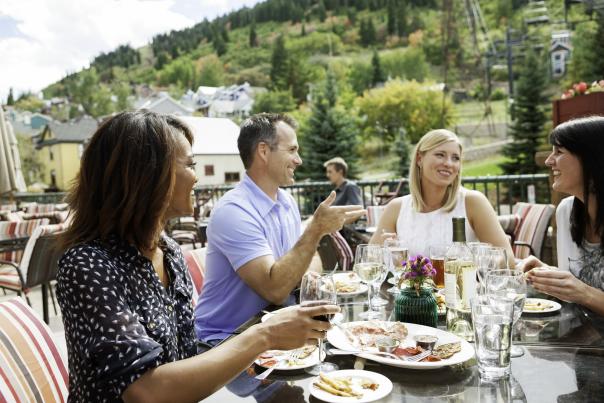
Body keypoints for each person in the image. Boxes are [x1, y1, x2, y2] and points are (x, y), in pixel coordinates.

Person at [56, 110, 340, 403]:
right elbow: (146, 392)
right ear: (148, 176)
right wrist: (264, 336)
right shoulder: (88, 264)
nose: (196, 177)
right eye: (190, 164)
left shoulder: (168, 251)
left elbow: (185, 354)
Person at [195, 113, 365, 343]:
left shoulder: (286, 202)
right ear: (264, 151)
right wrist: (315, 230)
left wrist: (304, 276)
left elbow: (308, 254)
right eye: (292, 150)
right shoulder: (233, 211)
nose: (299, 160)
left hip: (275, 330)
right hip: (226, 339)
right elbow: (274, 289)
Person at [369, 129, 514, 265]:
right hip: (408, 292)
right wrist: (384, 253)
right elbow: (369, 259)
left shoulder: (472, 202)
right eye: (440, 155)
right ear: (420, 159)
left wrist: (469, 266)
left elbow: (507, 257)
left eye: (455, 158)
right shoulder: (396, 208)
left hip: (462, 291)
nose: (448, 164)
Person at [521, 116, 604, 316]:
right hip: (580, 339)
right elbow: (578, 288)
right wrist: (549, 274)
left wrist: (583, 293)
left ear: (591, 158)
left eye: (559, 152)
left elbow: (583, 291)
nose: (549, 161)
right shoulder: (566, 212)